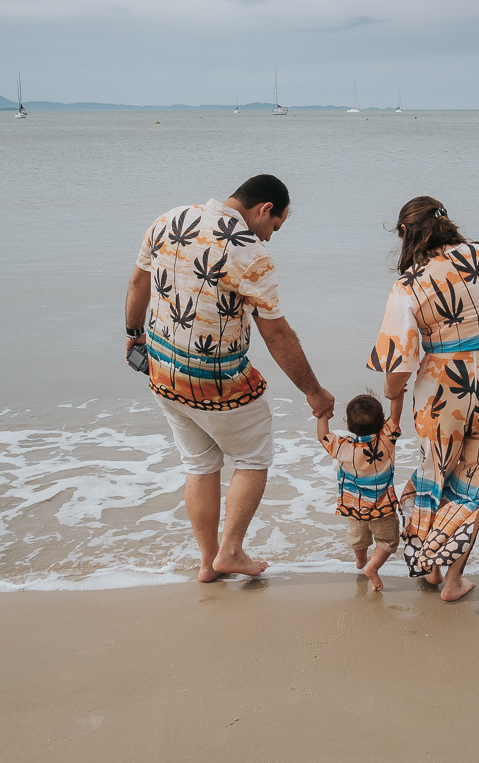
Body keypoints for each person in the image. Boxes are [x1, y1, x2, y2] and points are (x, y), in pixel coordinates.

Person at [124, 174, 335, 582]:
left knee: (200, 464)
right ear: (264, 210)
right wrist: (314, 392)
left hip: (163, 373)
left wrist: (134, 336)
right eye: (275, 227)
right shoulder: (250, 253)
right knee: (254, 458)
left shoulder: (170, 219)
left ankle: (208, 562)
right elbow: (276, 333)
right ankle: (231, 551)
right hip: (217, 382)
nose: (271, 237)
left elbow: (138, 282)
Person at [366, 196, 479, 601]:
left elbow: (397, 361)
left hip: (441, 393)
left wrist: (394, 397)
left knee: (436, 472)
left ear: (406, 234)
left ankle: (429, 564)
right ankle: (453, 580)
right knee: (474, 485)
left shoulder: (409, 285)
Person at [317, 391, 404, 591]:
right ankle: (372, 567)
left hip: (353, 507)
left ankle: (361, 561)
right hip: (382, 507)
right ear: (382, 421)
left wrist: (323, 414)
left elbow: (323, 436)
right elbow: (396, 415)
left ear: (348, 425)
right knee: (388, 540)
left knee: (358, 537)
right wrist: (397, 393)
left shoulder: (343, 447)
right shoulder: (386, 439)